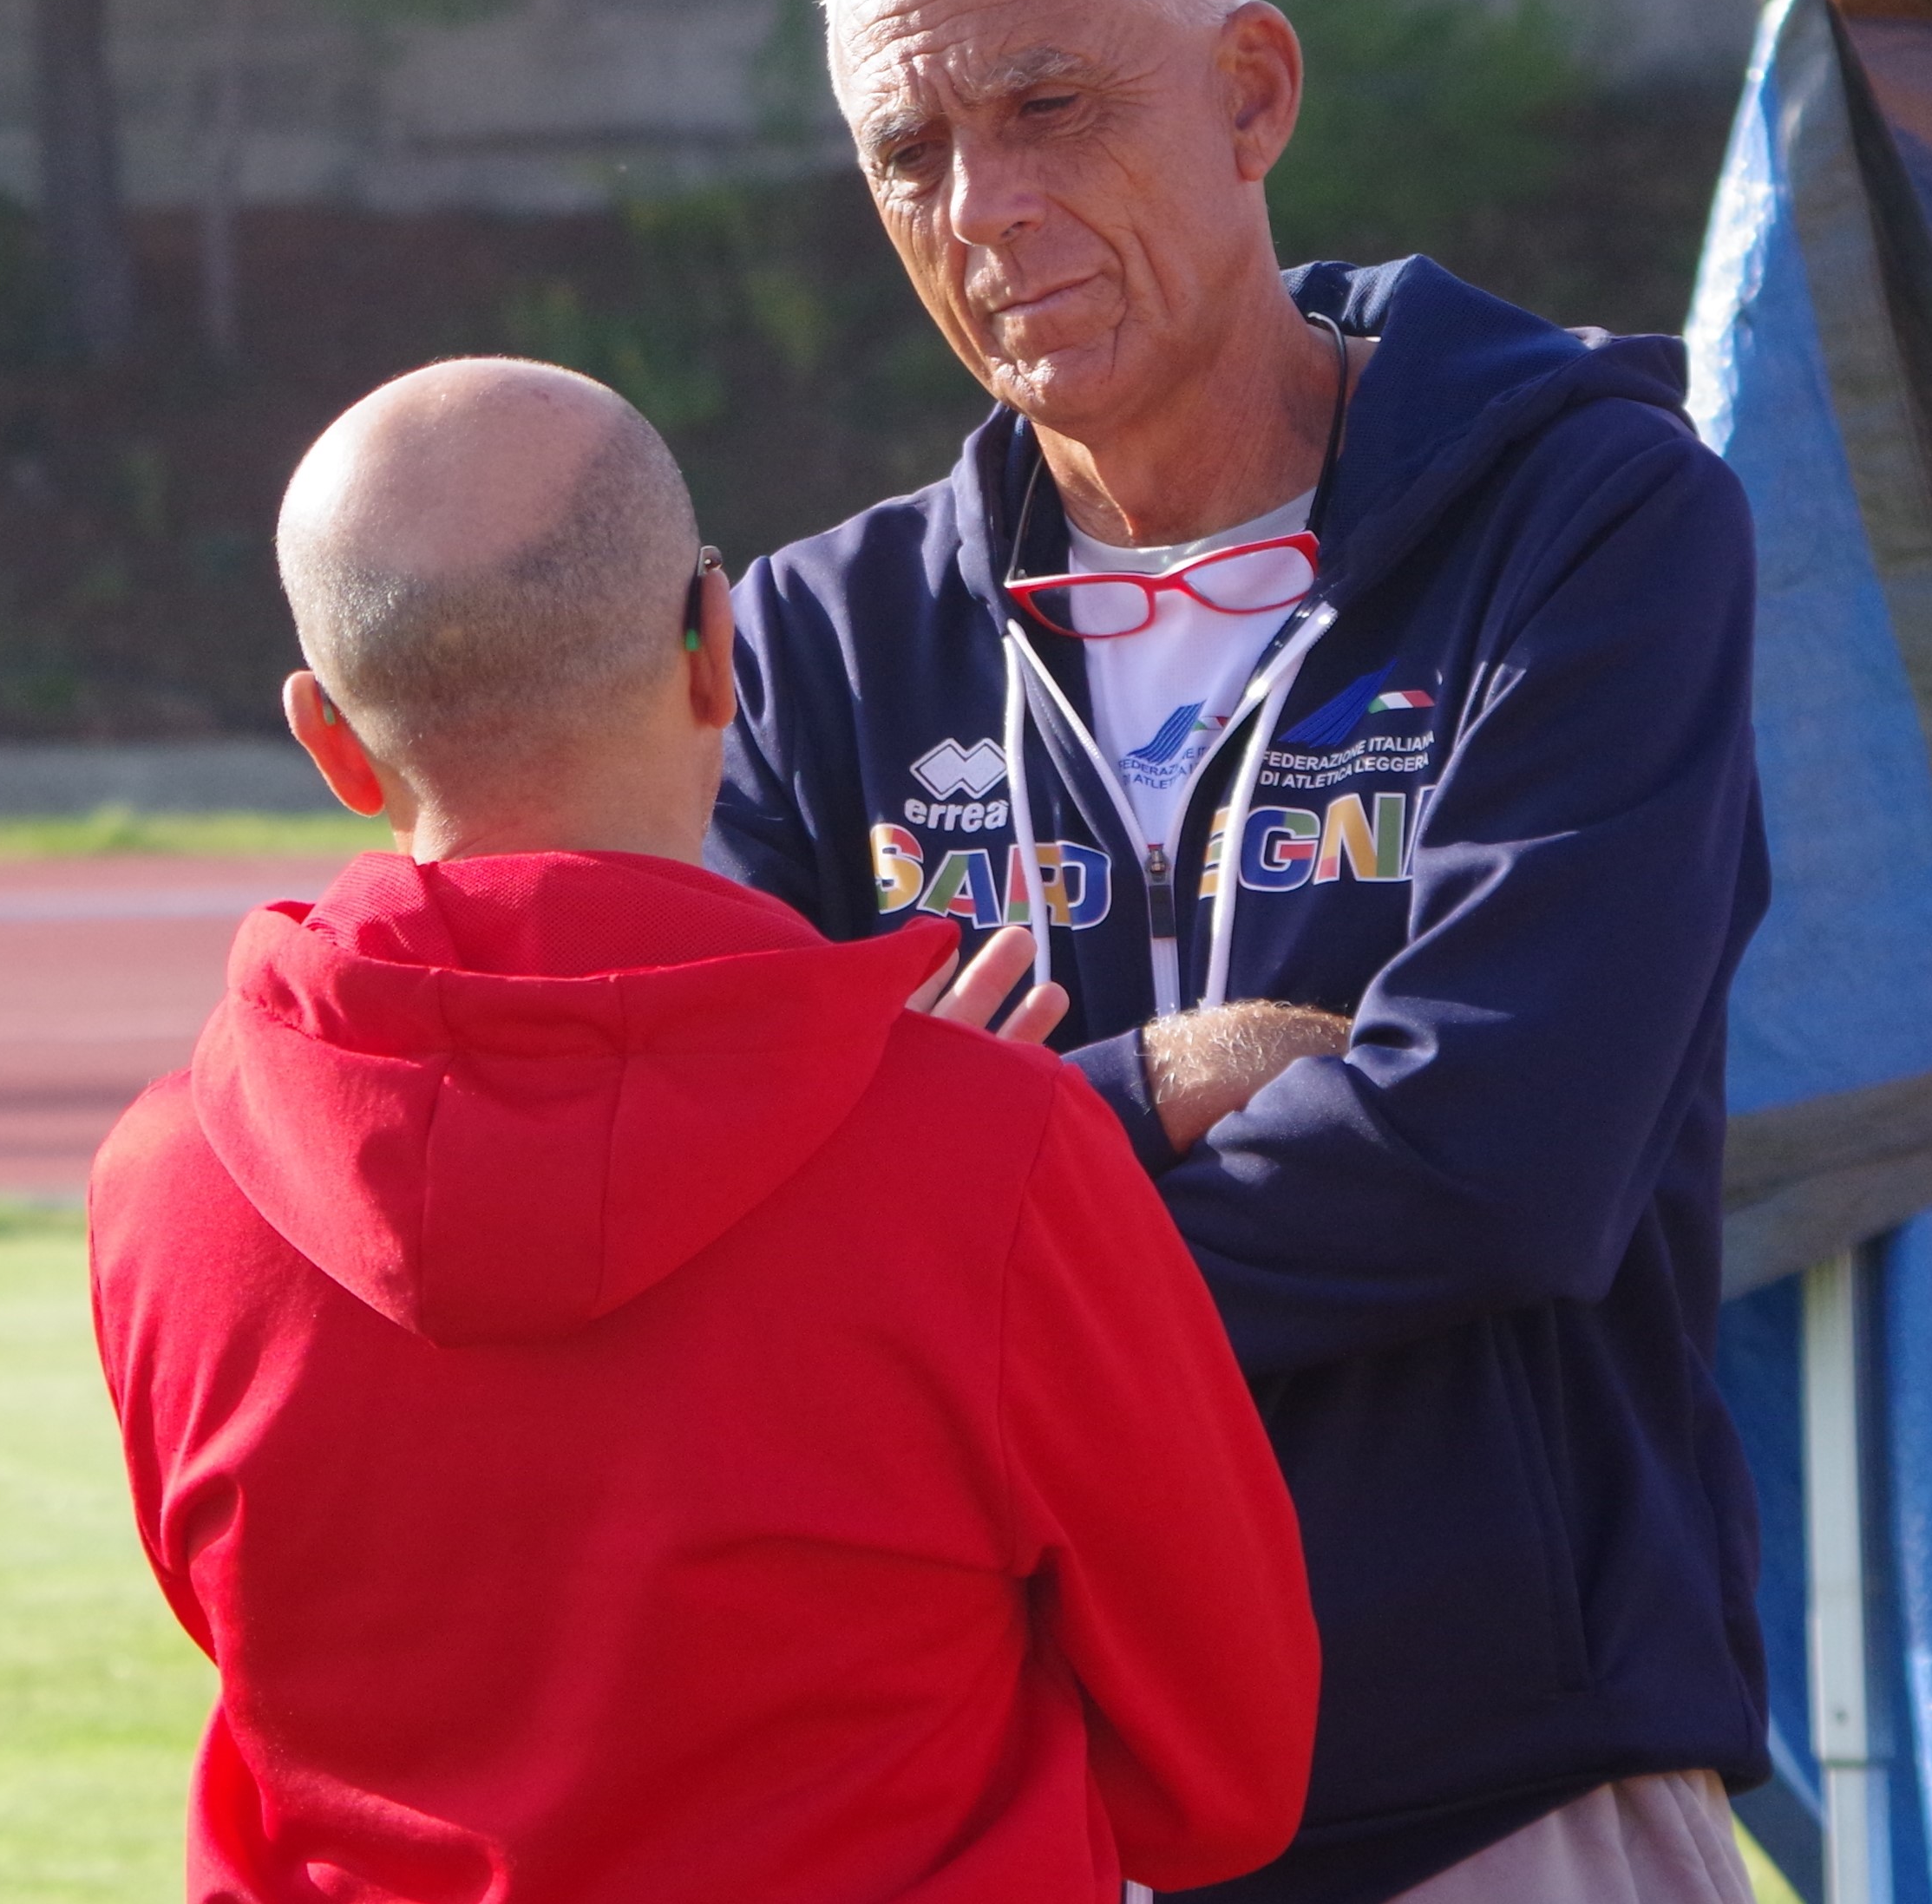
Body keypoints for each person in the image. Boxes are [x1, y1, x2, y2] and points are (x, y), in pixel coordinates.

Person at [708, 0, 1774, 1904]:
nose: (984, 207)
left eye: (1047, 107)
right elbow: (722, 1232)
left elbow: (1498, 1166)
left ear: (1251, 95)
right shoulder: (821, 644)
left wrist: (936, 1219)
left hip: (1489, 1790)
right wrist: (1159, 1088)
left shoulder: (1587, 526)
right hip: (989, 1807)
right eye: (910, 152)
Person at [88, 355, 1318, 1904]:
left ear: (327, 741)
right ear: (719, 650)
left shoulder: (164, 1183)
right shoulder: (989, 1161)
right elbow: (1226, 1774)